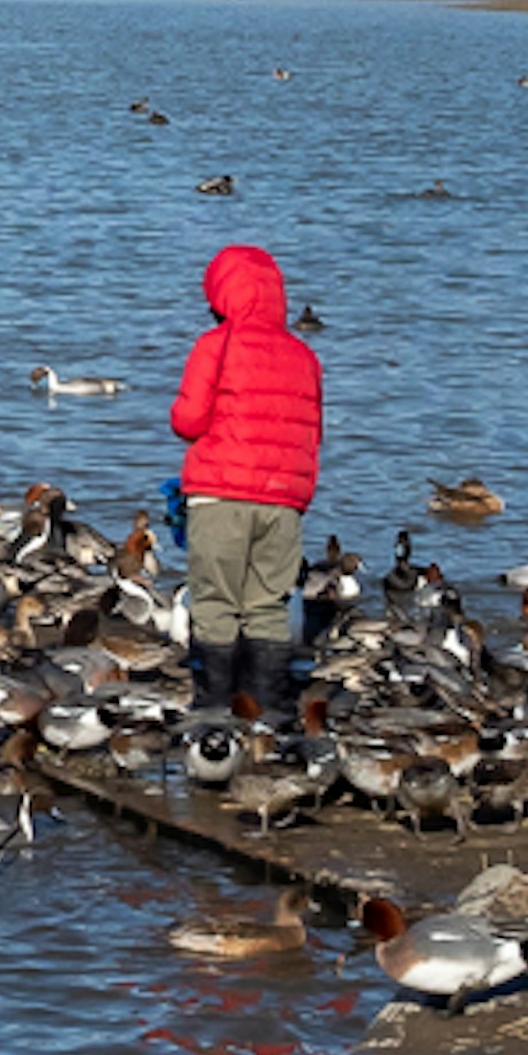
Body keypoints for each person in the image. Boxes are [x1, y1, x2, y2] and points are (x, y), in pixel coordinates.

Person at [169, 242, 320, 719]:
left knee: (215, 601)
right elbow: (313, 432)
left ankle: (214, 709)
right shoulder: (303, 354)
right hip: (283, 500)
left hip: (220, 495)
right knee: (268, 606)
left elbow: (188, 420)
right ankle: (269, 712)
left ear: (220, 295)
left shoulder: (216, 344)